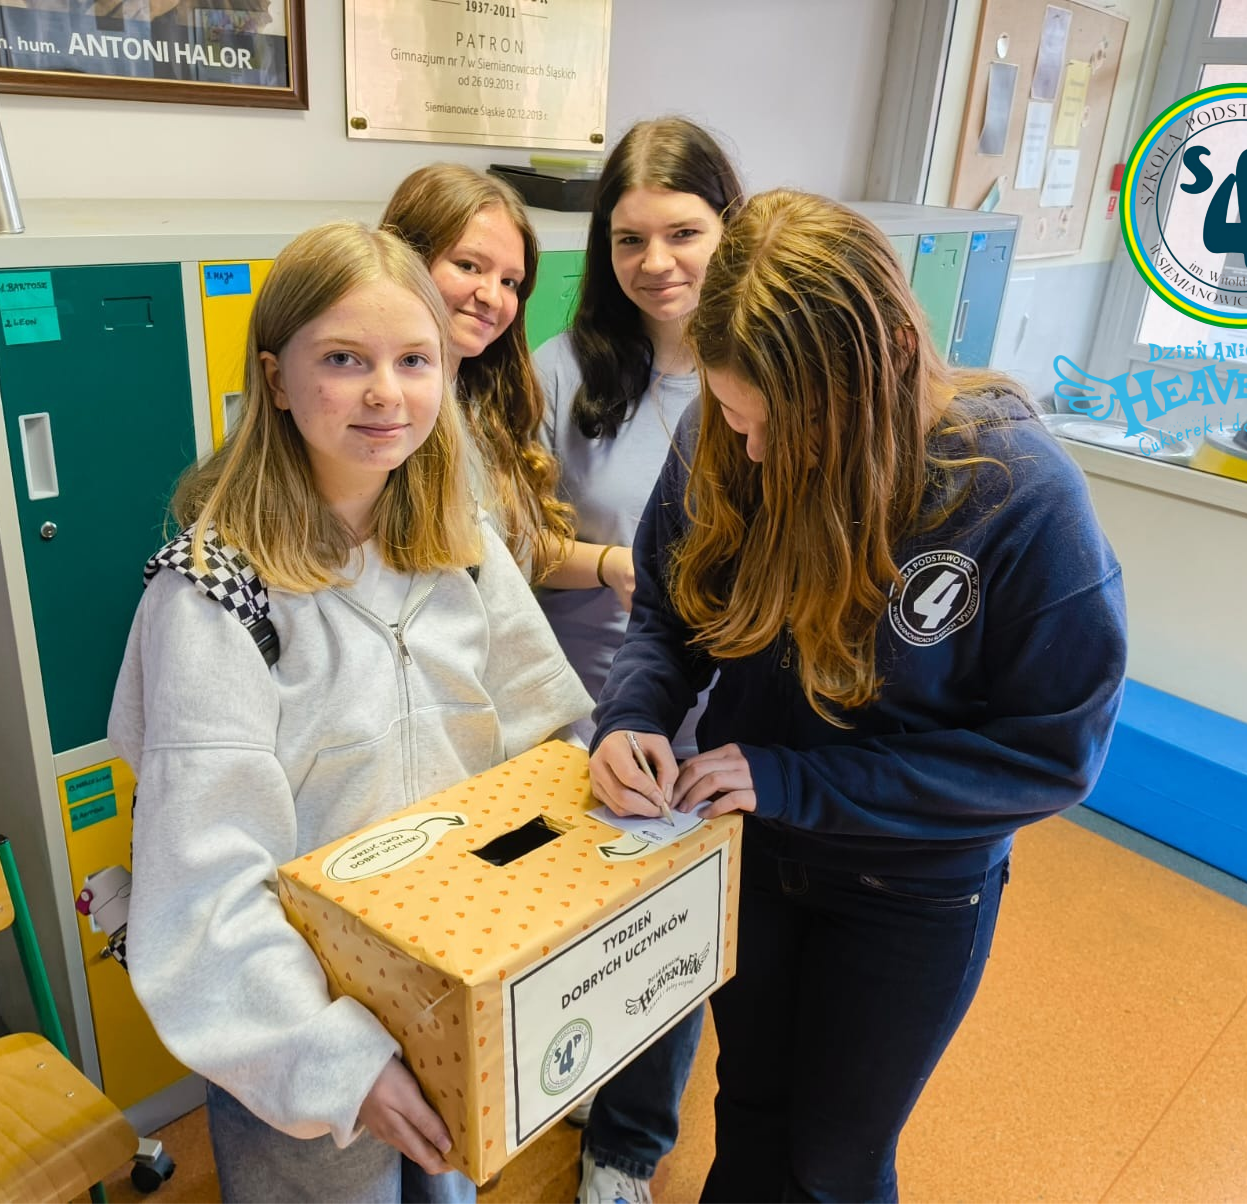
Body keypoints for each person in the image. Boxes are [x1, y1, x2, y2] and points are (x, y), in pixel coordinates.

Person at [588, 190, 1128, 1203]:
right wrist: (632, 717)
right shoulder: (723, 434)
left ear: (883, 368)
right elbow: (668, 609)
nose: (750, 449)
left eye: (777, 425)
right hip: (755, 855)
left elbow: (1049, 756)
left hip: (910, 890)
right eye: (734, 415)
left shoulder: (1020, 496)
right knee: (750, 1113)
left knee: (834, 1162)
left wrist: (797, 780)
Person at [108, 222, 593, 1204]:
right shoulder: (214, 596)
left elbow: (544, 742)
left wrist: (604, 784)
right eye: (343, 360)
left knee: (446, 1188)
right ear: (277, 379)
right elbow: (205, 892)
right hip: (301, 1023)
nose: (385, 393)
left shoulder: (462, 543)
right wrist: (338, 1061)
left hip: (446, 983)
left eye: (414, 360)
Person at [529, 116, 744, 1204]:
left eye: (683, 232)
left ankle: (626, 1149)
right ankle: (576, 1076)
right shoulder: (561, 373)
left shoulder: (761, 374)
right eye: (628, 239)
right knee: (571, 928)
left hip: (716, 723)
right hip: (579, 708)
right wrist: (615, 564)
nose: (655, 262)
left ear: (730, 228)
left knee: (669, 946)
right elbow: (511, 544)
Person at [381, 164, 574, 583]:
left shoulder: (481, 404)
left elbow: (512, 554)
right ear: (406, 259)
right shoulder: (379, 420)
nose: (492, 297)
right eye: (468, 266)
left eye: (510, 282)